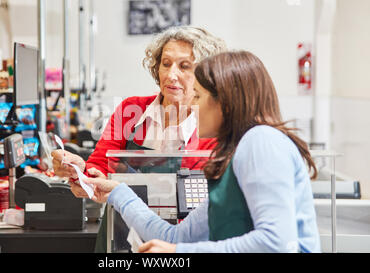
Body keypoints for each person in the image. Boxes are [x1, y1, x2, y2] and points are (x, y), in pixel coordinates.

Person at [84, 51, 322, 253]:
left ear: (225, 102)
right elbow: (174, 236)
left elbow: (276, 242)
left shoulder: (261, 141)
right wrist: (118, 193)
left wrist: (180, 253)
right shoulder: (236, 155)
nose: (191, 106)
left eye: (197, 96)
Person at [51, 26, 228, 252]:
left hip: (177, 242)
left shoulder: (213, 126)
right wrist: (78, 171)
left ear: (204, 75)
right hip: (119, 235)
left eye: (184, 66)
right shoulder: (131, 110)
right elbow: (99, 168)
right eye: (166, 63)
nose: (171, 74)